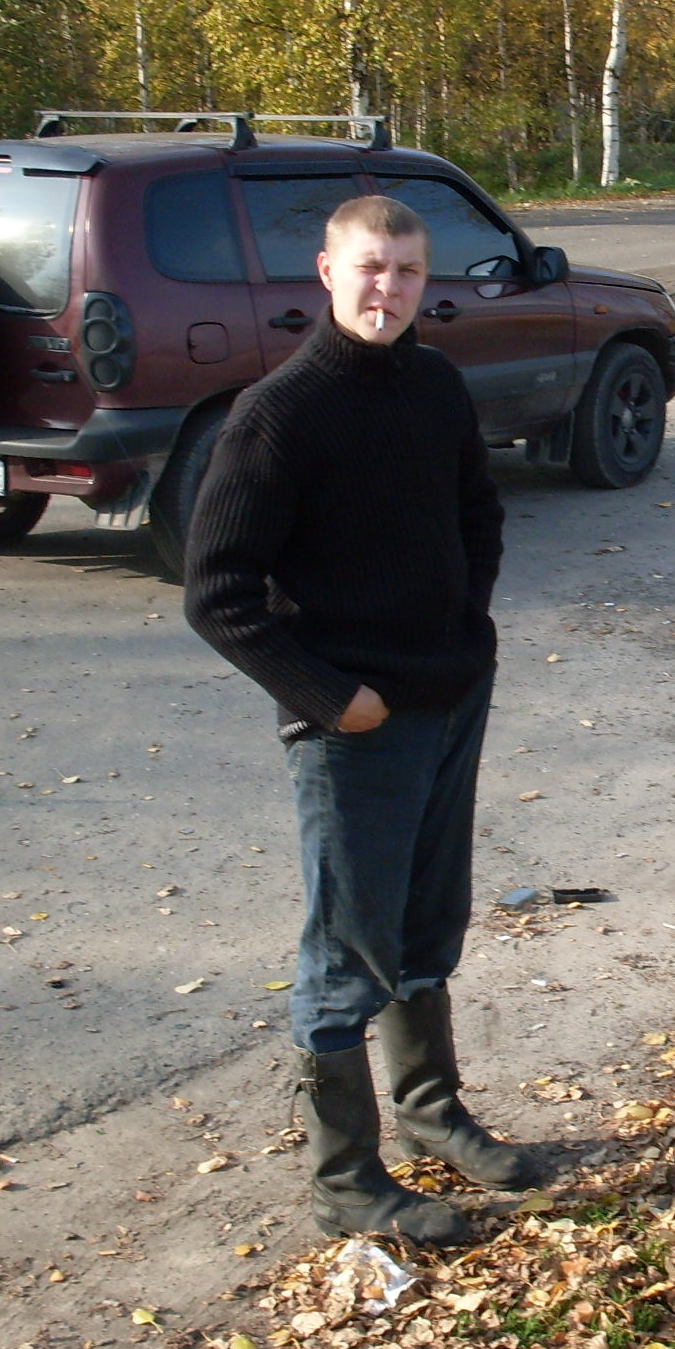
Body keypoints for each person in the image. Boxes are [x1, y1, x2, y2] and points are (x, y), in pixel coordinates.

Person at [184, 194, 530, 1247]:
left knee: (428, 921)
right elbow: (218, 594)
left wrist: (464, 631)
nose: (389, 289)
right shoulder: (278, 413)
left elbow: (478, 514)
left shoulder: (434, 384)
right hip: (355, 726)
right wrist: (335, 698)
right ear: (328, 273)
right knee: (349, 946)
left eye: (408, 271)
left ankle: (430, 1113)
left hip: (449, 695)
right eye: (371, 267)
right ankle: (344, 1179)